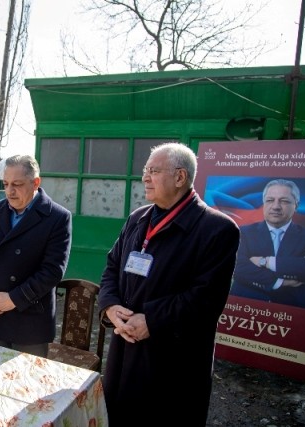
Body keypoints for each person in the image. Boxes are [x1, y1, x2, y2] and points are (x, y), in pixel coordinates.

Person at [98, 142, 240, 425]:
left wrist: (151, 320)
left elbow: (206, 299)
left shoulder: (217, 229)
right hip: (126, 349)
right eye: (145, 170)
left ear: (180, 177)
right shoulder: (137, 218)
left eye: (153, 170)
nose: (144, 178)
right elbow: (112, 266)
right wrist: (111, 306)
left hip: (173, 361)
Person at [0, 155, 72, 358]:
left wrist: (15, 299)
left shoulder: (57, 217)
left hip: (29, 321)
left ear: (36, 183)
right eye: (6, 184)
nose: (9, 191)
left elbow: (52, 271)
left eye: (17, 184)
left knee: (26, 384)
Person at [231, 179, 305, 309]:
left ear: (296, 206)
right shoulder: (242, 232)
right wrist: (280, 281)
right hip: (245, 309)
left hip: (293, 312)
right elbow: (236, 266)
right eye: (270, 200)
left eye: (284, 201)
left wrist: (266, 262)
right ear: (264, 204)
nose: (276, 206)